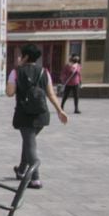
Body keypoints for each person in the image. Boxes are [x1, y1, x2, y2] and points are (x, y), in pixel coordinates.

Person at [6, 43, 68, 190]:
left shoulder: (16, 72)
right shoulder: (44, 72)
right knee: (29, 141)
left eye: (21, 55)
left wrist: (16, 72)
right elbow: (51, 93)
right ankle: (21, 170)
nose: (19, 57)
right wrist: (60, 110)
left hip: (24, 114)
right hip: (41, 114)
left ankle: (35, 179)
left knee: (30, 144)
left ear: (26, 56)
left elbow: (10, 93)